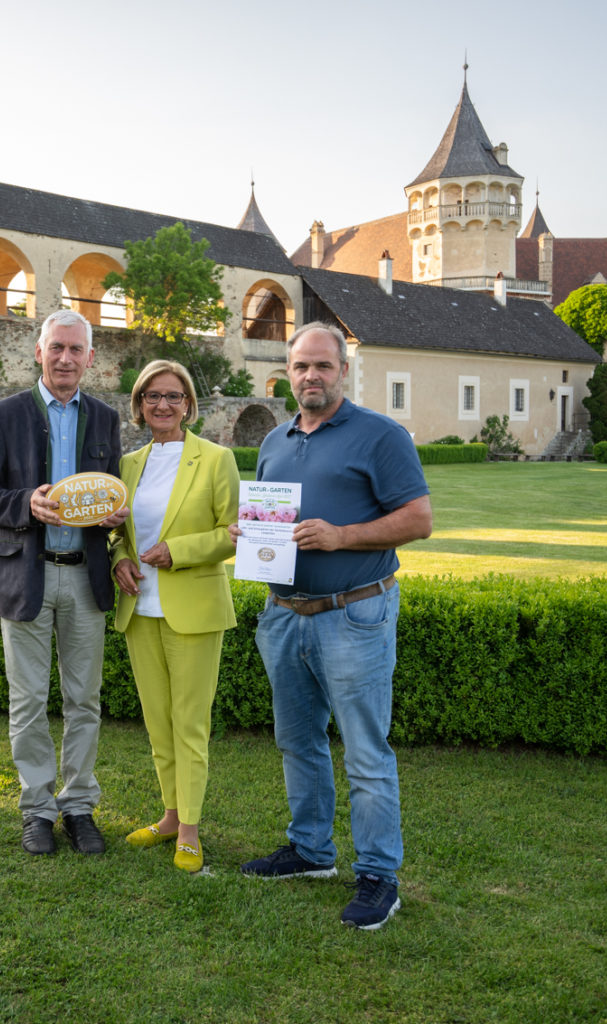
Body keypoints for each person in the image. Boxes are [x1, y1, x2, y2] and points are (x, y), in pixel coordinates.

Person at [235, 321, 432, 930]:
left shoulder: (381, 435)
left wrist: (343, 536)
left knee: (366, 752)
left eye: (322, 366)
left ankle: (378, 876)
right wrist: (253, 535)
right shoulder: (275, 440)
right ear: (287, 372)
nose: (311, 377)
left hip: (355, 612)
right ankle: (311, 851)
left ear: (342, 370)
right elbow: (272, 521)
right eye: (300, 367)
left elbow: (419, 519)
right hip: (285, 614)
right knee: (298, 741)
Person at [0, 309, 127, 857]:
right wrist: (25, 504)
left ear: (89, 358)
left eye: (75, 350)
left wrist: (115, 515)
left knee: (85, 700)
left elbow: (113, 490)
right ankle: (37, 809)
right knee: (29, 701)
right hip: (26, 576)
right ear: (39, 352)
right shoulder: (4, 414)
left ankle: (79, 806)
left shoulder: (105, 419)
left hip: (85, 579)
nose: (65, 358)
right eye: (56, 348)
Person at [110, 360, 239, 874]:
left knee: (190, 724)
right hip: (139, 609)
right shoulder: (127, 465)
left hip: (194, 610)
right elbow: (115, 529)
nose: (162, 405)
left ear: (189, 403)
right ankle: (168, 816)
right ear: (139, 404)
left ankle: (190, 830)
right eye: (151, 396)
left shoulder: (216, 459)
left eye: (173, 396)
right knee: (158, 722)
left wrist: (177, 550)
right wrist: (119, 557)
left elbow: (233, 531)